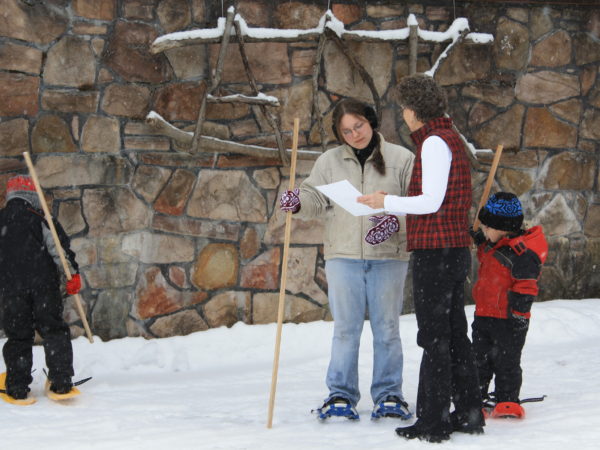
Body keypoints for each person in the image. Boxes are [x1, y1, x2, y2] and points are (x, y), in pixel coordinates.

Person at [358, 74, 484, 442]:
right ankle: (469, 412)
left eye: (403, 108)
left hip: (437, 252)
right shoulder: (450, 138)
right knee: (454, 334)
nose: (403, 114)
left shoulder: (433, 143)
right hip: (452, 250)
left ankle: (433, 422)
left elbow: (431, 201)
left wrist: (387, 202)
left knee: (435, 337)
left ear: (413, 111)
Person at [280, 98, 415, 420]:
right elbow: (314, 197)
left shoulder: (401, 158)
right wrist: (297, 203)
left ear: (370, 122)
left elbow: (418, 203)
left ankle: (389, 394)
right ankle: (340, 395)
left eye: (359, 126)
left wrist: (395, 222)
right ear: (339, 134)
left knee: (386, 329)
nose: (355, 135)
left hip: (389, 257)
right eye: (346, 131)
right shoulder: (329, 162)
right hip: (343, 256)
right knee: (345, 329)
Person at [0, 175, 82, 402]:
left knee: (18, 336)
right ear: (33, 197)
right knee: (54, 330)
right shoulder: (43, 219)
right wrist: (72, 275)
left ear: (11, 195)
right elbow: (60, 252)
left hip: (12, 290)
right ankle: (61, 382)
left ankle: (17, 387)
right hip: (44, 287)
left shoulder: (1, 220)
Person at [470, 192, 548, 419]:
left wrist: (520, 314)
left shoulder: (522, 254)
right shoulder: (494, 245)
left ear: (503, 228)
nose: (483, 231)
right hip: (484, 314)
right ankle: (477, 396)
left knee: (507, 362)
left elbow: (527, 286)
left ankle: (507, 399)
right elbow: (487, 255)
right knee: (479, 359)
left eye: (486, 228)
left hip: (510, 319)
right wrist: (479, 240)